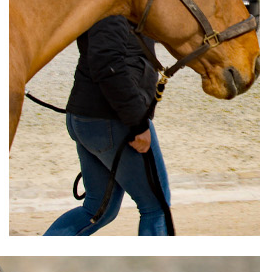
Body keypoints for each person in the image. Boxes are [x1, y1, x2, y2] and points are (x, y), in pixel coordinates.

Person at [43, 16, 171, 237]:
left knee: (98, 209)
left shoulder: (117, 6)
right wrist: (138, 123)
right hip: (113, 121)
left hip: (89, 119)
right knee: (156, 207)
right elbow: (107, 63)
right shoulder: (114, 9)